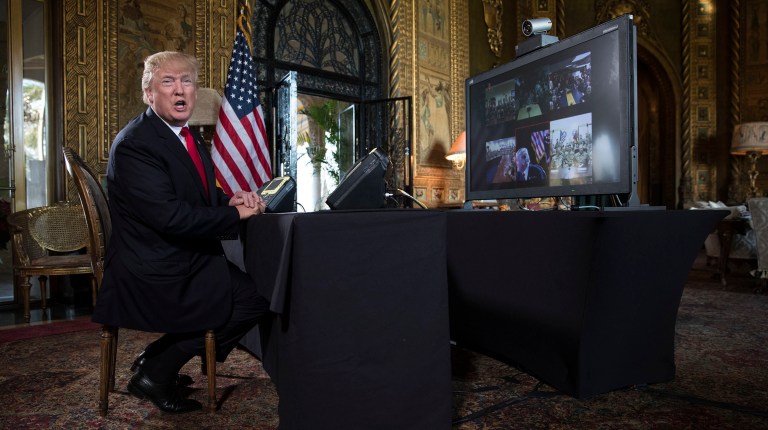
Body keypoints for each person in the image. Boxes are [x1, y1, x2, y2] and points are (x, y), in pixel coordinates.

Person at [91, 51, 271, 414]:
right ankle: (156, 370)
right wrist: (234, 215)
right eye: (168, 82)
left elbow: (192, 195)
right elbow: (171, 218)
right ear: (148, 93)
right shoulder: (136, 145)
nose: (180, 91)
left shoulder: (182, 135)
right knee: (252, 299)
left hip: (174, 255)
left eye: (187, 81)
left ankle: (155, 359)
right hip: (153, 267)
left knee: (249, 293)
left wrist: (226, 199)